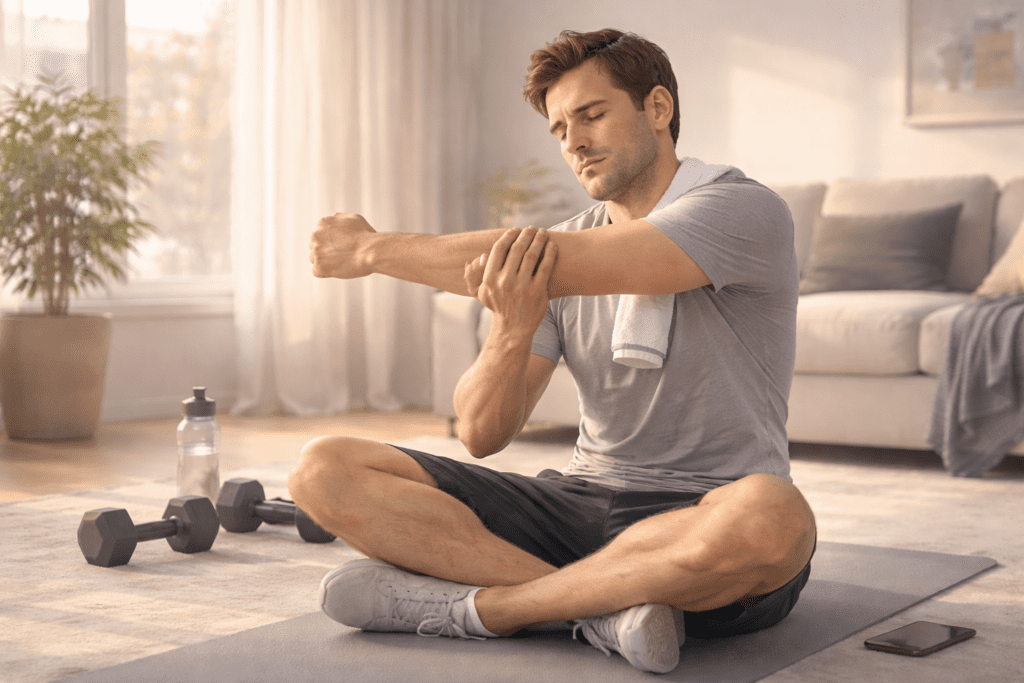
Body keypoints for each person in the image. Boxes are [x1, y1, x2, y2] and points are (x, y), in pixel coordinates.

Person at [288, 28, 816, 674]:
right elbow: (481, 433)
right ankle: (606, 610)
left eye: (591, 115)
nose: (574, 142)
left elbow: (573, 262)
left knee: (776, 517)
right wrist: (511, 330)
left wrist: (370, 251)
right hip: (579, 504)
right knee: (321, 469)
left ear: (658, 109)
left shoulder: (744, 210)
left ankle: (491, 608)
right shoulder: (557, 257)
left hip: (705, 515)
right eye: (560, 129)